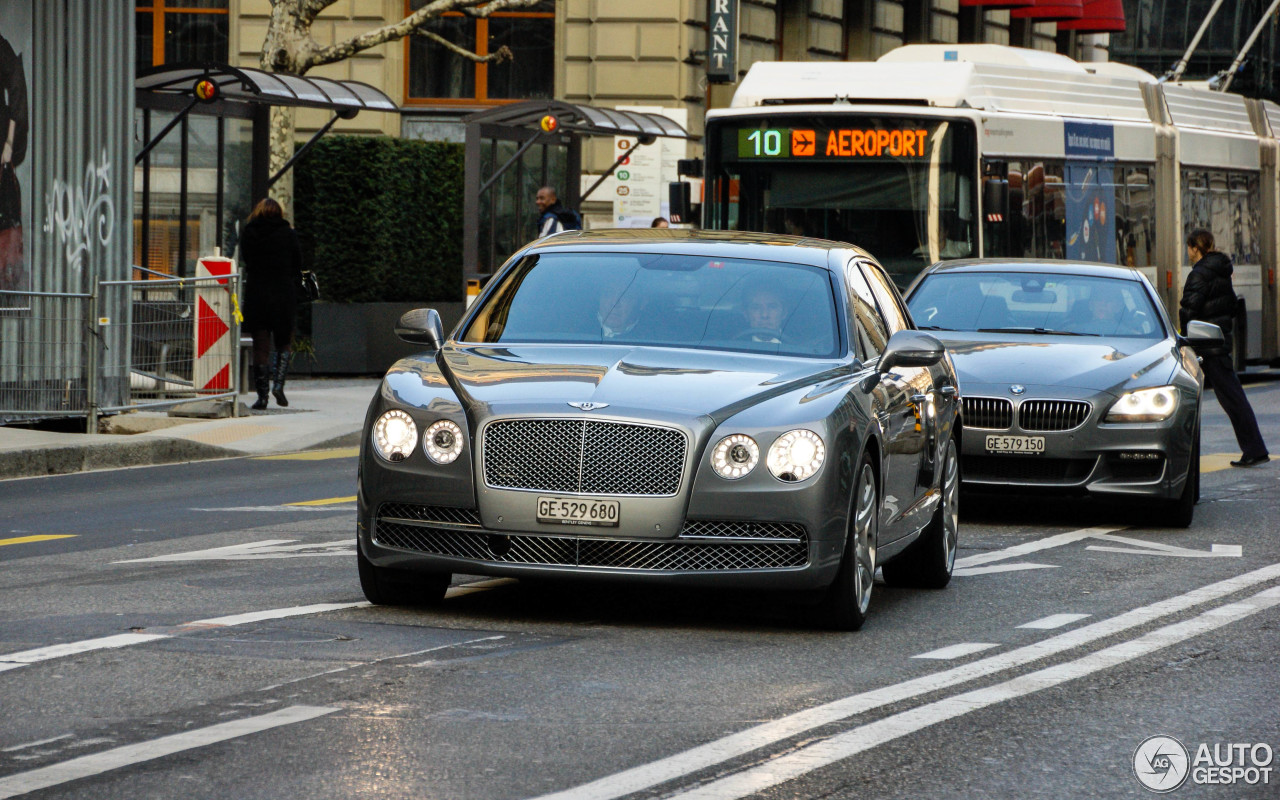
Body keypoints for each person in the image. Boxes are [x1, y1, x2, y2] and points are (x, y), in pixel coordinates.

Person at [1180, 229, 1269, 467]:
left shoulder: (1199, 274)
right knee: (1233, 398)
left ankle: (1255, 449)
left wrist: (1184, 337)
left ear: (1195, 248)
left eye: (1188, 248)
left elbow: (1189, 310)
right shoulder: (1220, 270)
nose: (1187, 252)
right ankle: (1254, 448)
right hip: (1219, 342)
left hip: (1206, 347)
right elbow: (1231, 304)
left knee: (1230, 399)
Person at [239, 198, 303, 410]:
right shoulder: (289, 233)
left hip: (258, 293)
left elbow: (246, 260)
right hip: (283, 293)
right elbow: (297, 264)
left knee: (261, 345)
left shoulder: (250, 232)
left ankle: (262, 397)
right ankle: (278, 385)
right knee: (284, 341)